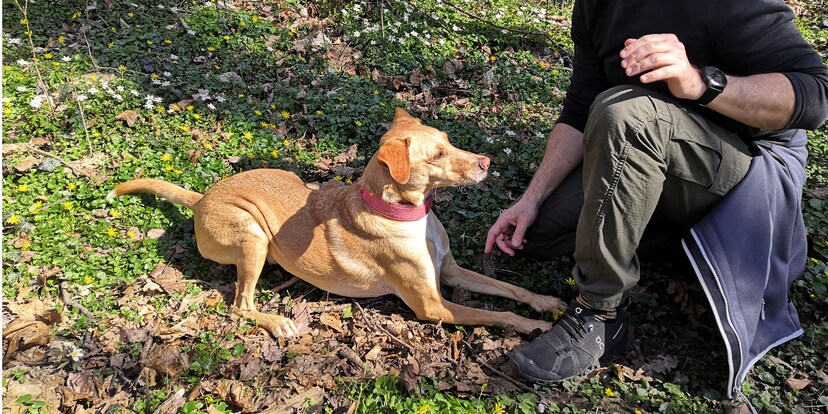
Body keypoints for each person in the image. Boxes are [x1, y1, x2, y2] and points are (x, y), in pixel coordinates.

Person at [484, 0, 828, 393]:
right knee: (540, 233)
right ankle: (688, 244)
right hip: (657, 154)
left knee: (627, 113)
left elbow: (815, 95)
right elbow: (580, 107)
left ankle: (600, 314)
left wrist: (702, 83)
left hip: (748, 167)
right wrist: (530, 199)